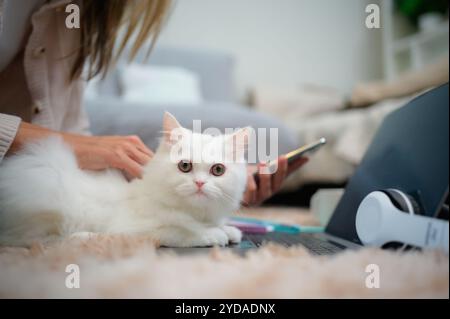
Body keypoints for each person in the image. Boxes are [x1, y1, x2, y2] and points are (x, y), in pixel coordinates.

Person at [0, 0, 307, 206]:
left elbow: (71, 129)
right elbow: (71, 141)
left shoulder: (77, 14)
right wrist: (71, 144)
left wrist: (230, 188)